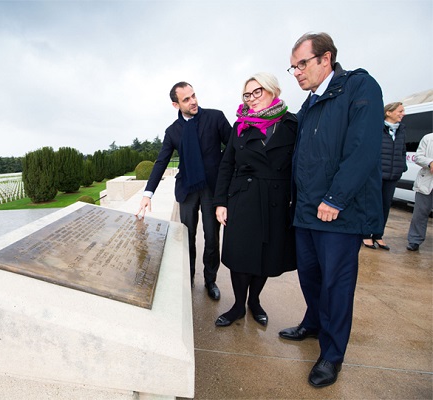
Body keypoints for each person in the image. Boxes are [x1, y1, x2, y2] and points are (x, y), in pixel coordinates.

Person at [279, 32, 384, 388]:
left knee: (336, 288)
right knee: (310, 278)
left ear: (326, 59)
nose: (296, 72)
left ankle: (332, 355)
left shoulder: (359, 88)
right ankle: (313, 324)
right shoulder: (309, 105)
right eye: (292, 67)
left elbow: (364, 149)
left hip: (339, 215)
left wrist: (337, 198)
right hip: (307, 212)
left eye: (302, 64)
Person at [213, 73, 297, 327]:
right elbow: (226, 165)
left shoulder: (293, 124)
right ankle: (238, 305)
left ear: (274, 91)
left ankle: (255, 301)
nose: (252, 99)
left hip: (276, 200)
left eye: (257, 92)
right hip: (244, 199)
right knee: (241, 256)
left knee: (266, 256)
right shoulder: (240, 126)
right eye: (247, 95)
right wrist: (220, 202)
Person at [136, 82, 231, 300]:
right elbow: (161, 162)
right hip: (187, 189)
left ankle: (210, 280)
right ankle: (187, 279)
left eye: (194, 95)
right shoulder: (173, 131)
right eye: (186, 99)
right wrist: (147, 194)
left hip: (211, 189)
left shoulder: (215, 118)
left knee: (212, 237)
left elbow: (234, 148)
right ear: (175, 104)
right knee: (187, 237)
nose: (193, 101)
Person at [363, 102, 407, 250]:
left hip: (393, 174)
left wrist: (402, 167)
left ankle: (378, 235)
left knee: (385, 206)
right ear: (388, 112)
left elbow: (402, 151)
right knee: (371, 205)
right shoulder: (376, 128)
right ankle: (366, 234)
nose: (403, 113)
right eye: (400, 111)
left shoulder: (401, 130)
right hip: (376, 174)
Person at [406, 133, 433, 251]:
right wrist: (430, 162)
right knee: (420, 213)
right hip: (427, 181)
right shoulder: (428, 138)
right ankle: (414, 240)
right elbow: (418, 157)